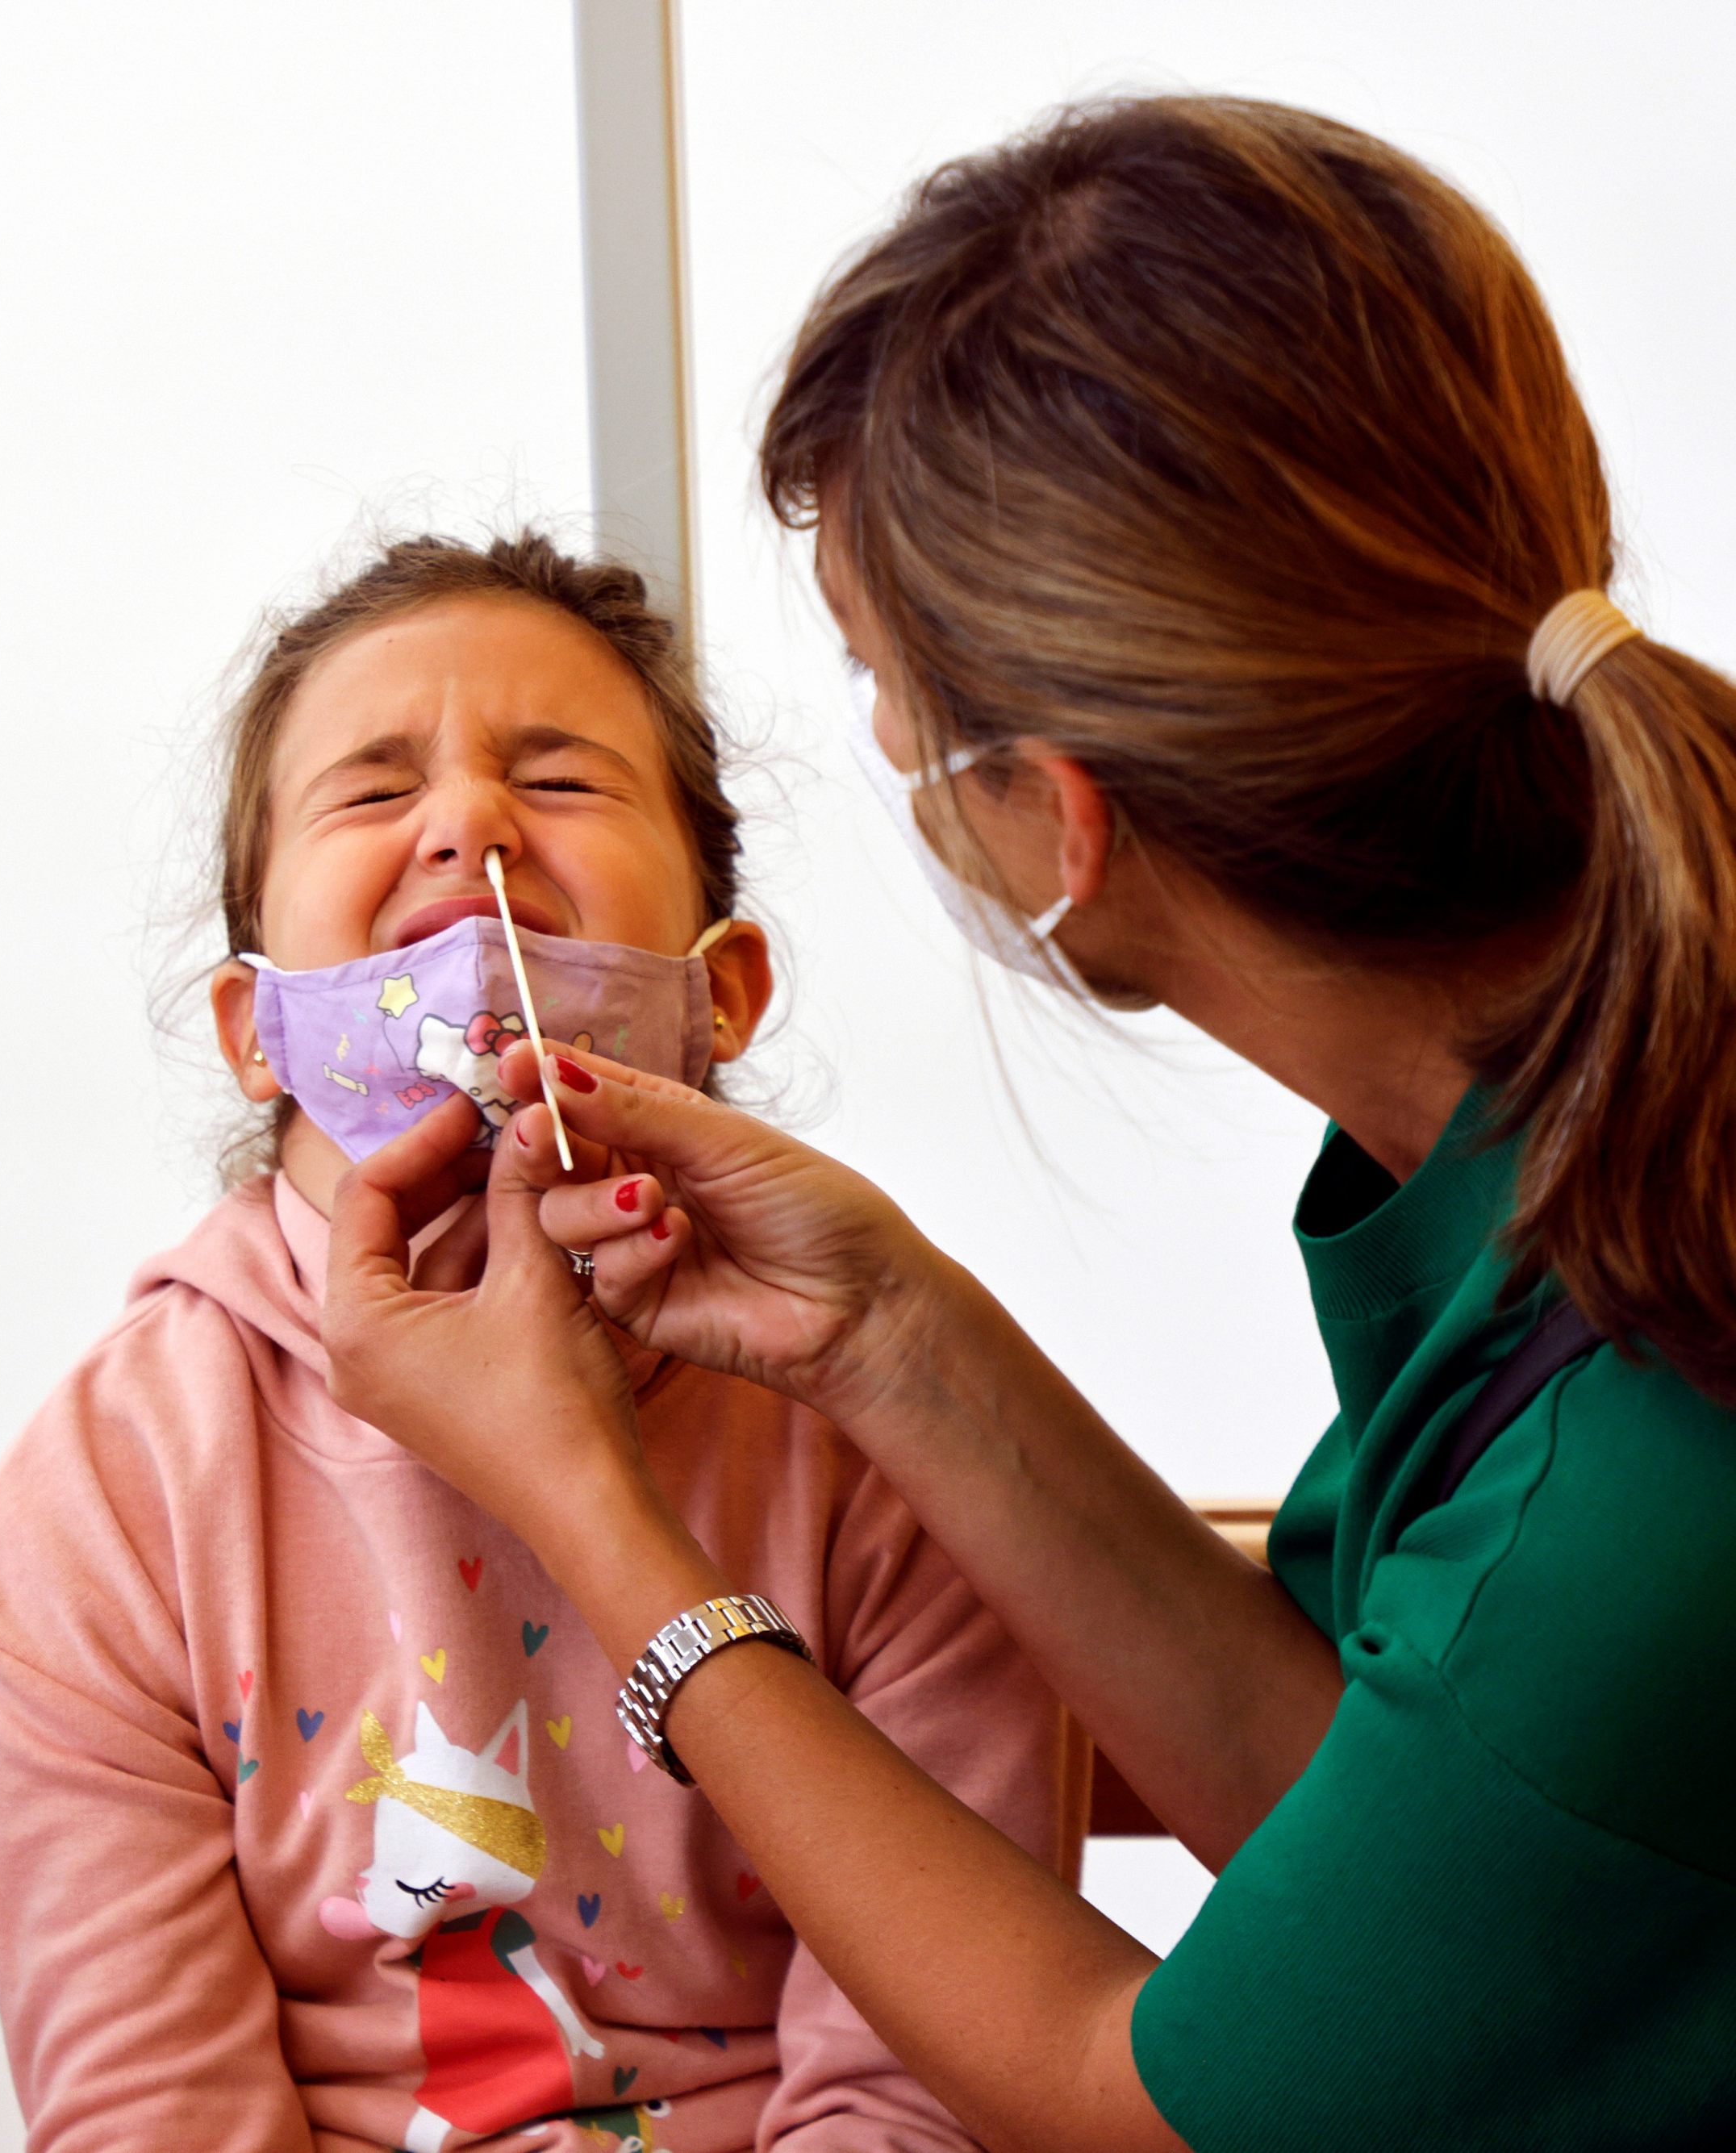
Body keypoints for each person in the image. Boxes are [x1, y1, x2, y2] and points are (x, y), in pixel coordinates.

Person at [317, 96, 1736, 2153]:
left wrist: (600, 1526)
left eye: (886, 691)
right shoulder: (1590, 1156)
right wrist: (896, 1330)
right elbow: (1400, 1825)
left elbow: (1131, 2104)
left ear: (1055, 820)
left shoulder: (1627, 1489)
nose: (461, 835)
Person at [0, 532, 1083, 2151]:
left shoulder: (876, 1435)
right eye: (369, 790)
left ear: (725, 995)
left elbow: (926, 2088)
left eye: (557, 783)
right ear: (253, 1031)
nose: (467, 824)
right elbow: (149, 2115)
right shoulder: (116, 1489)